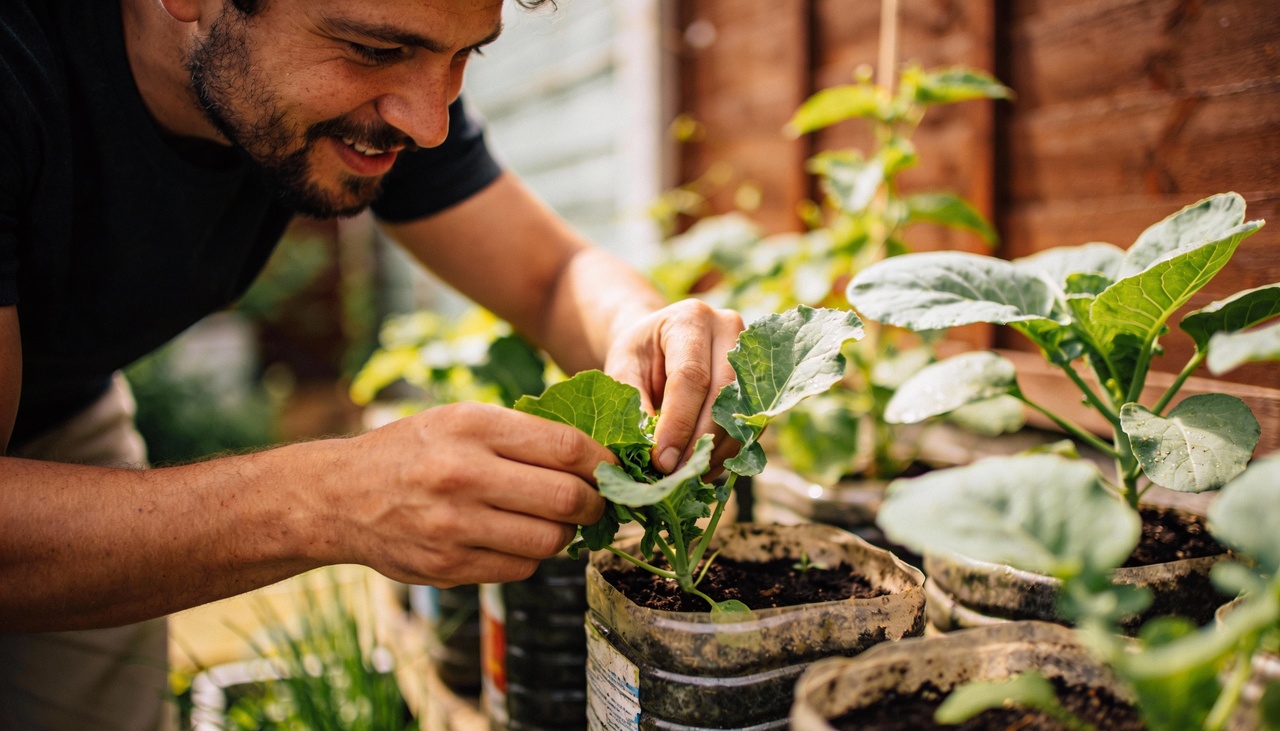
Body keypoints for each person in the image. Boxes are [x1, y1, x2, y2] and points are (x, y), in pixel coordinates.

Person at [0, 0, 744, 727]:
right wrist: (328, 498)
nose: (429, 123)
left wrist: (647, 327)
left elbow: (550, 277)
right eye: (373, 50)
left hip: (63, 409)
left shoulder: (385, 89)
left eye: (465, 55)